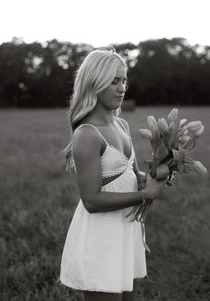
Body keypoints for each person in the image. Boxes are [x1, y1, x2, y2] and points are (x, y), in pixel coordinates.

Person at [59, 47, 169, 301]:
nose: (122, 88)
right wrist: (145, 195)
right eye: (113, 81)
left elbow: (128, 173)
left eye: (124, 80)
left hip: (125, 228)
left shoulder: (121, 124)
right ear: (94, 83)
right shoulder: (87, 133)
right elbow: (91, 200)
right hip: (101, 236)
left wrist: (150, 175)